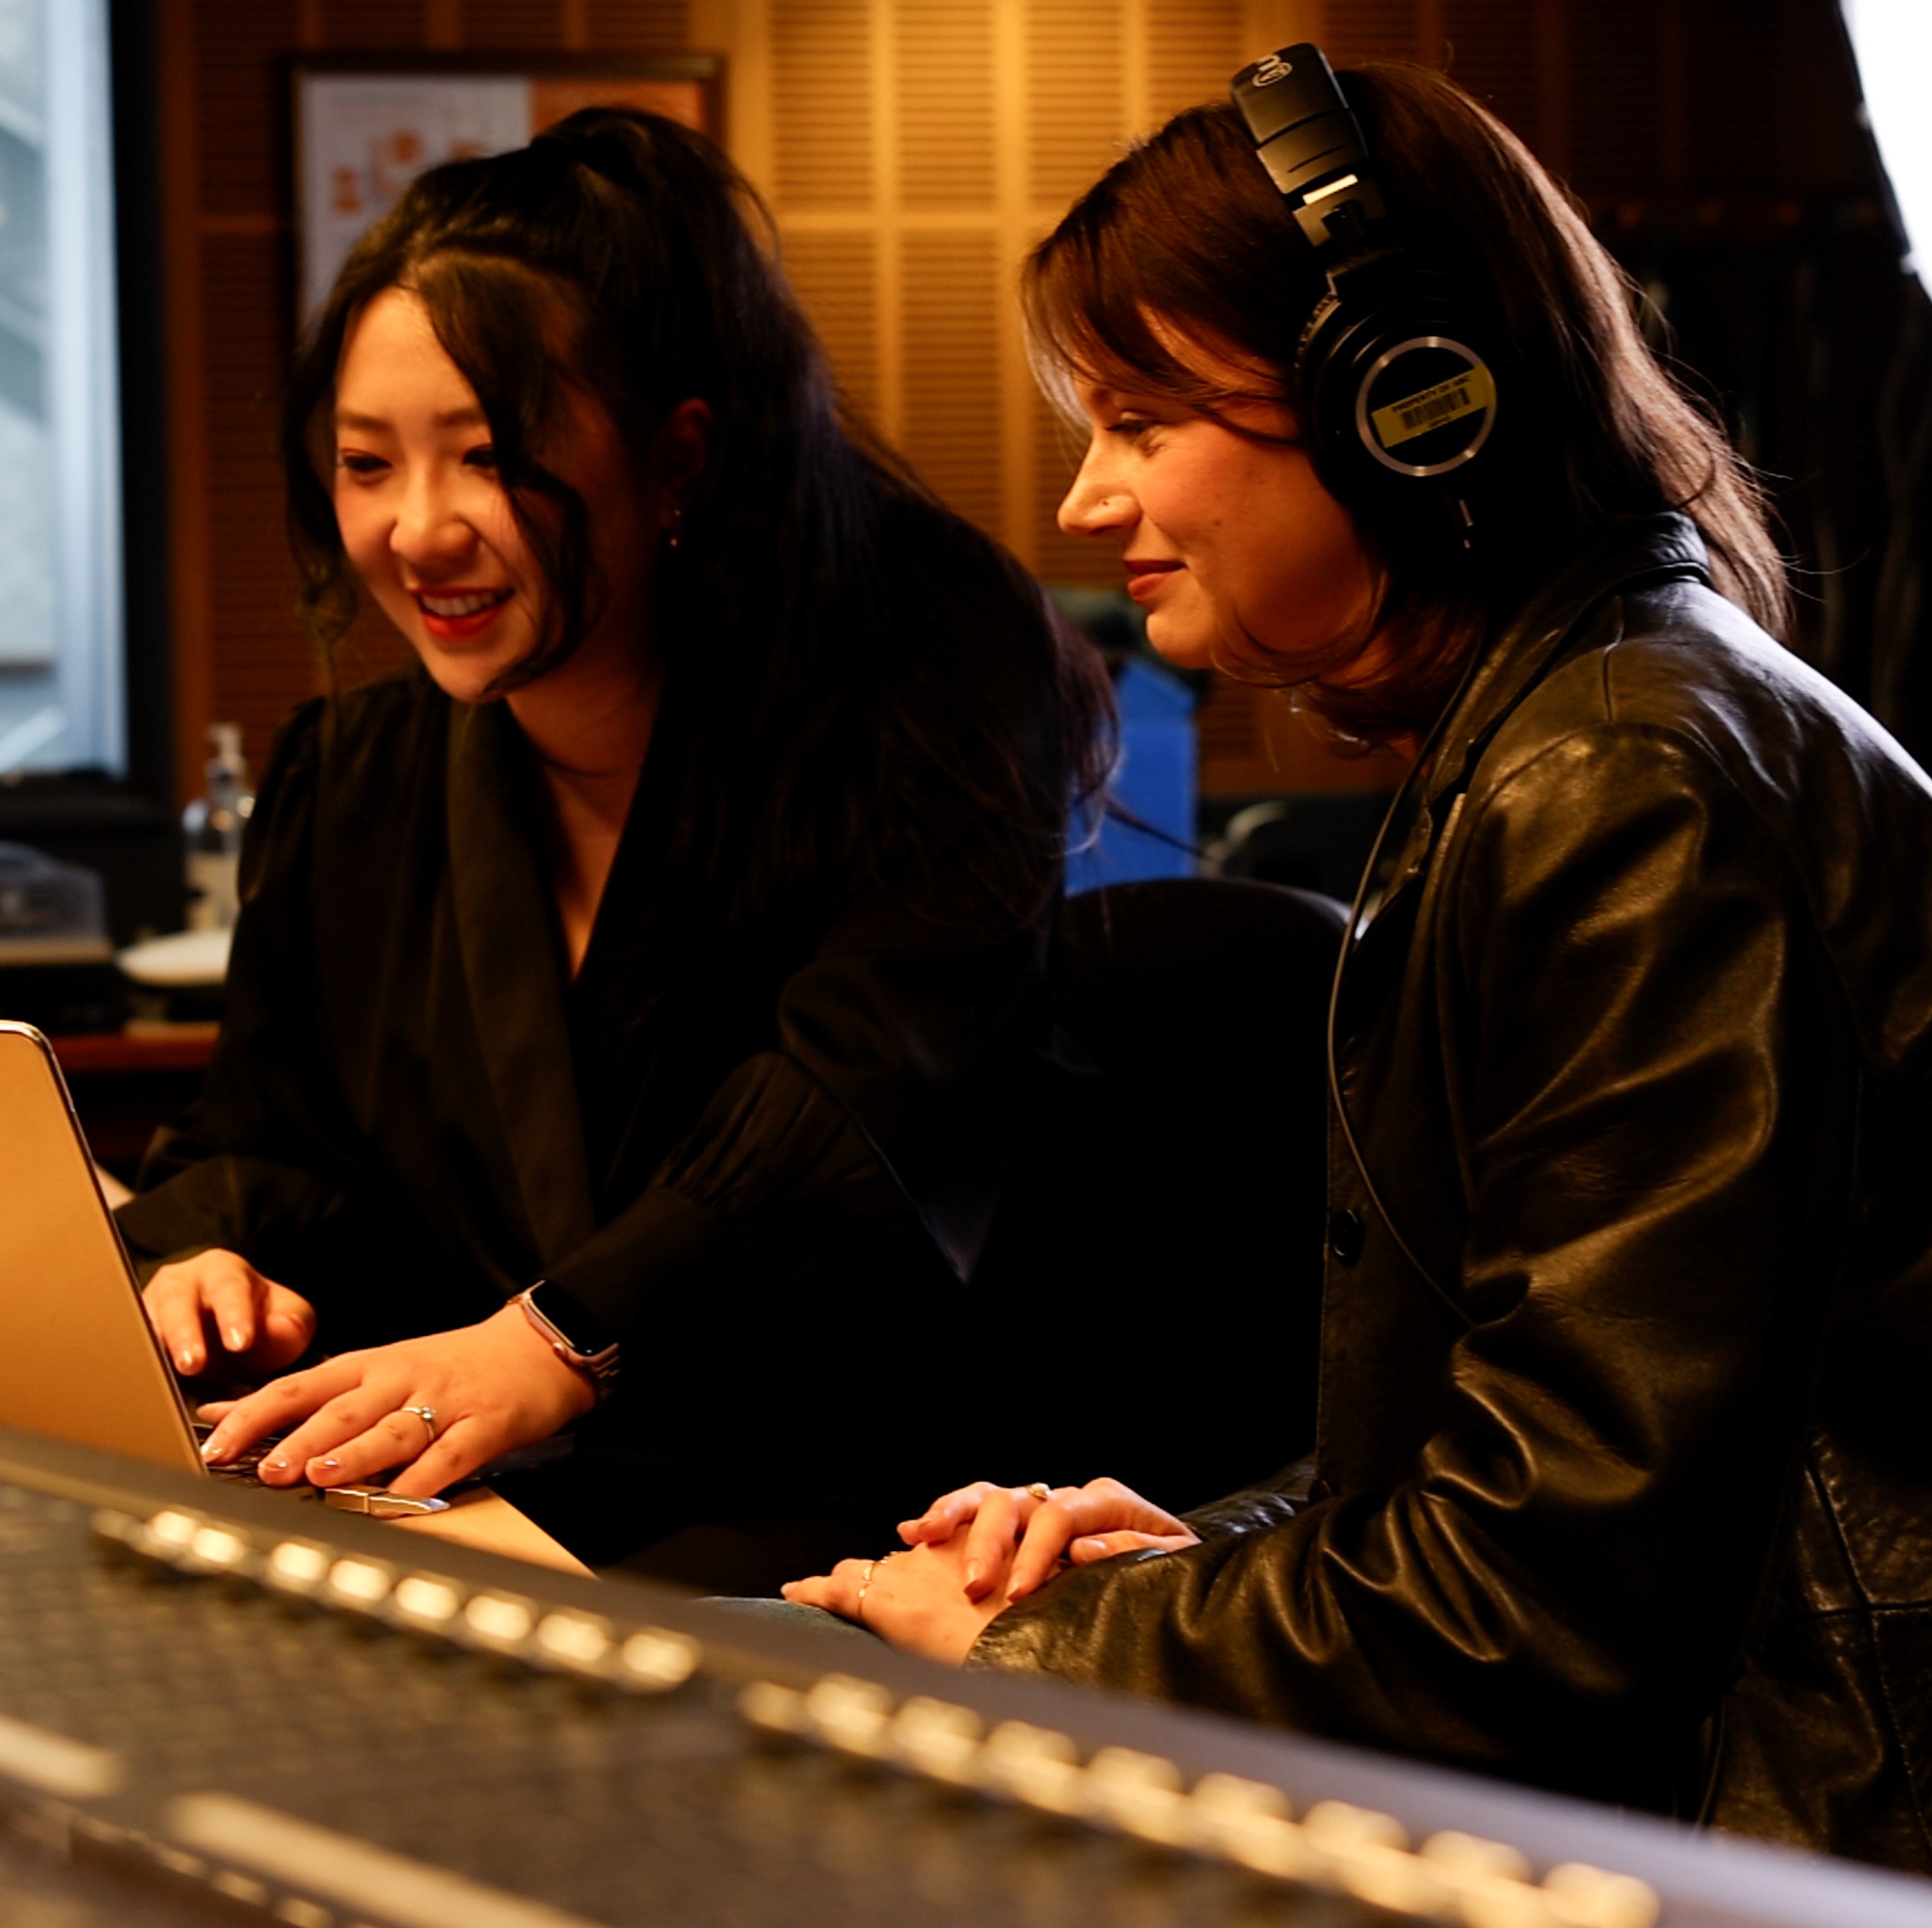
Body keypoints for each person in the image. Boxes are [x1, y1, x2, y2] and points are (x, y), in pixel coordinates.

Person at [783, 51, 1932, 1870]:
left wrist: (1055, 1644)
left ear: (1412, 408)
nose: (1087, 502)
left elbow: (1557, 1589)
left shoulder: (1622, 784)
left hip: (1794, 1824)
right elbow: (1531, 1447)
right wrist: (1192, 1566)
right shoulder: (1588, 722)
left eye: (1144, 422)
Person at [113, 108, 1111, 1570]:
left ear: (678, 458)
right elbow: (277, 1140)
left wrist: (556, 1338)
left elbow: (860, 1100)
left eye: (489, 457)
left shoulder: (926, 677)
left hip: (874, 1506)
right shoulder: (360, 773)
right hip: (485, 1502)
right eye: (368, 465)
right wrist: (193, 1258)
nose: (418, 532)